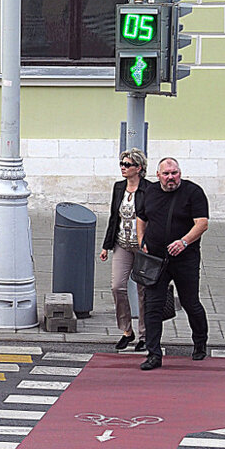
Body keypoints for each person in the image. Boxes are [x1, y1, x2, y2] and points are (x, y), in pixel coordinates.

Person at [135, 157, 210, 371]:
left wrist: (184, 242)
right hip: (156, 259)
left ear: (180, 173)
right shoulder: (149, 192)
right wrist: (142, 241)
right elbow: (141, 217)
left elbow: (202, 223)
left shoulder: (193, 192)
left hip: (185, 258)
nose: (171, 178)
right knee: (153, 306)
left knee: (190, 303)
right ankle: (154, 354)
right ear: (158, 175)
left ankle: (200, 341)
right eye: (166, 174)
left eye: (174, 173)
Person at [99, 148, 151, 352]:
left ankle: (145, 335)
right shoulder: (119, 188)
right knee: (117, 286)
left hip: (142, 246)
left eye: (127, 165)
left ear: (138, 168)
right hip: (121, 243)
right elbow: (114, 217)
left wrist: (150, 244)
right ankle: (127, 331)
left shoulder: (149, 189)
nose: (123, 168)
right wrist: (106, 245)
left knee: (143, 291)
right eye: (121, 164)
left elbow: (152, 219)